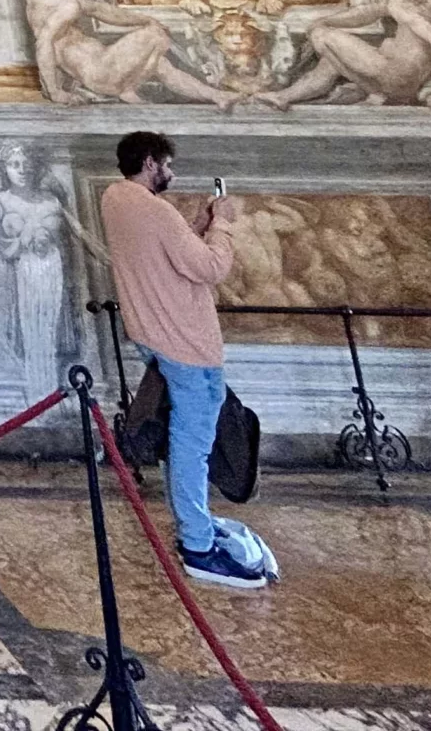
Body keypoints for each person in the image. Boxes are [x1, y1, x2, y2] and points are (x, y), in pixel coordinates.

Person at [98, 130, 271, 591]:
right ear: (152, 162)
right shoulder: (154, 209)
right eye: (168, 166)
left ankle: (197, 522)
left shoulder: (115, 201)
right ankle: (197, 545)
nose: (171, 175)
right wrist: (223, 223)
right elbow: (211, 268)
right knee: (192, 444)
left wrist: (193, 229)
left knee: (188, 438)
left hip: (156, 337)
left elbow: (165, 257)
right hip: (186, 343)